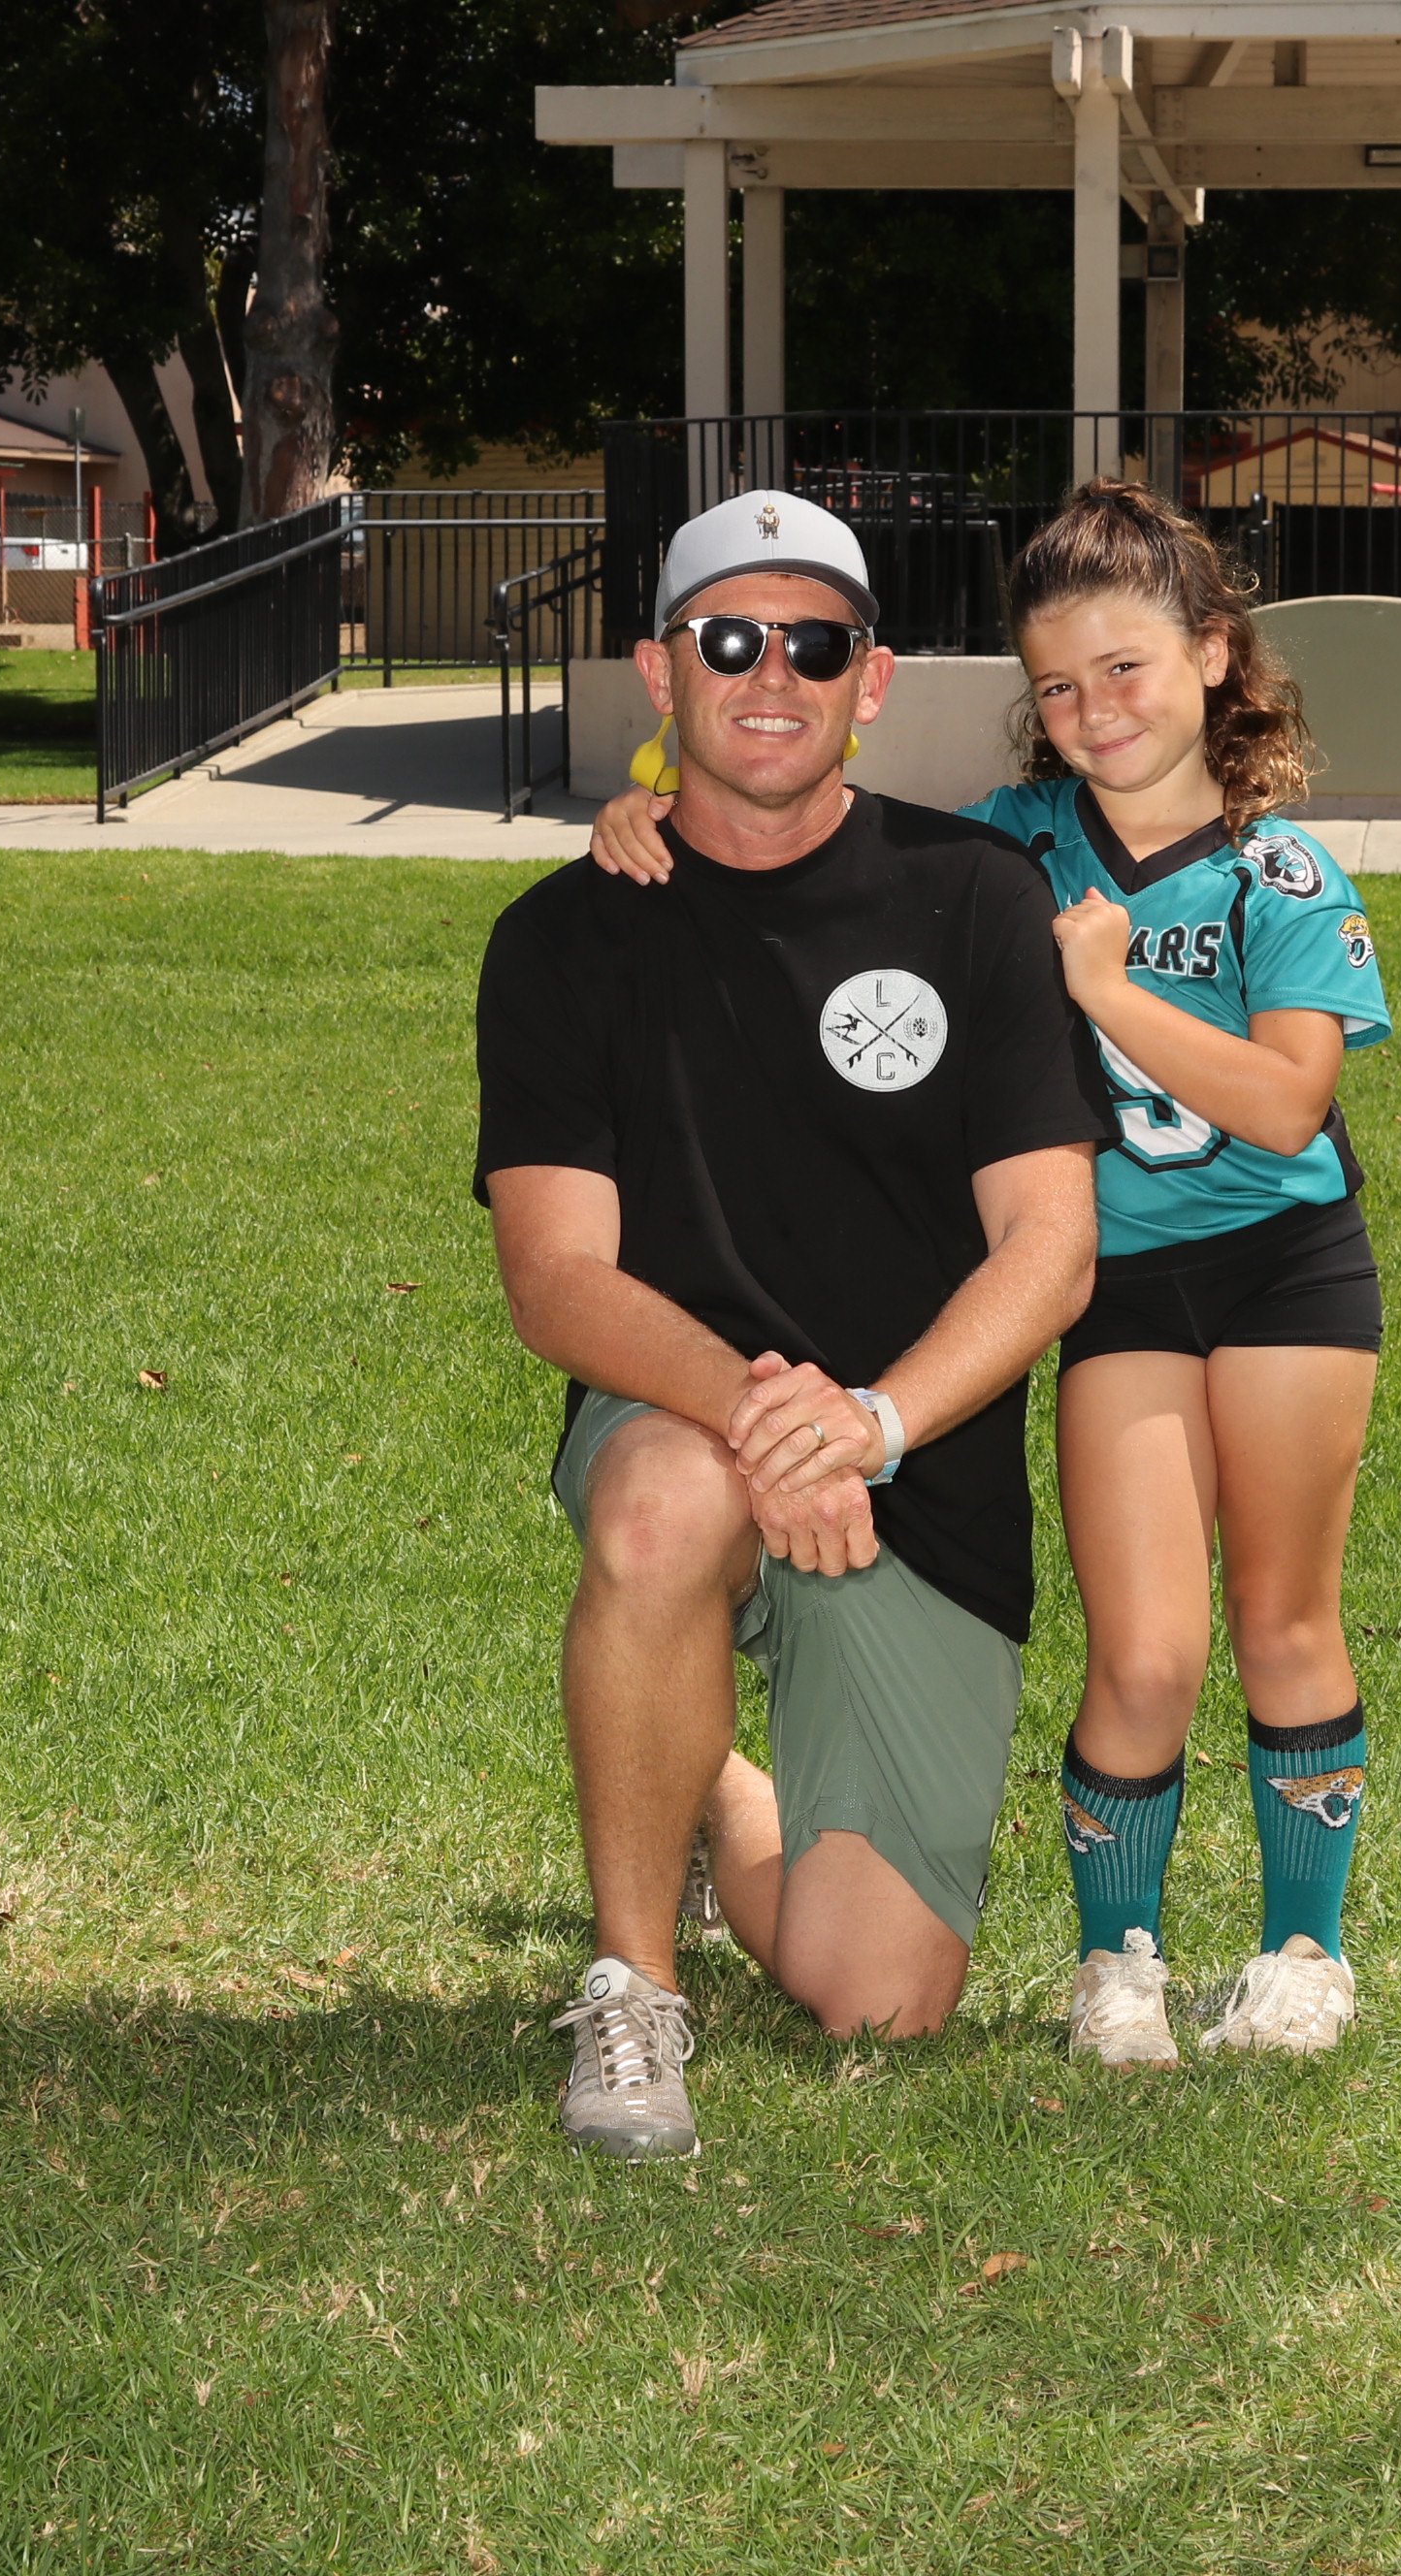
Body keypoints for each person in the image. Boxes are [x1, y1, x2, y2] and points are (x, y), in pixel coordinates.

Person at [587, 481, 1391, 2070]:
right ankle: (1117, 1962)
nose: (1095, 711)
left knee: (1286, 1618)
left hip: (1288, 1271)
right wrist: (642, 800)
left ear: (1215, 656)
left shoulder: (1285, 874)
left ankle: (1305, 1950)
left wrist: (1109, 988)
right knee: (1145, 1651)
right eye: (1057, 686)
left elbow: (1289, 1102)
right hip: (1118, 1286)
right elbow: (817, 830)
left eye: (1128, 669)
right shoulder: (1013, 847)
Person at [474, 488, 1103, 2161]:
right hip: (686, 1413)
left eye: (814, 645)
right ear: (659, 671)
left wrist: (872, 1425)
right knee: (664, 1507)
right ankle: (631, 1984)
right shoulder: (560, 938)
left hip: (914, 1459)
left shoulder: (976, 899)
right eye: (730, 639)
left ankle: (700, 1789)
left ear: (871, 680)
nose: (773, 675)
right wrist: (769, 1420)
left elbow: (1051, 1249)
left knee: (878, 1997)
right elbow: (557, 1282)